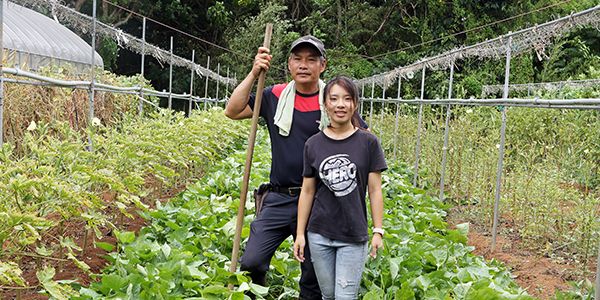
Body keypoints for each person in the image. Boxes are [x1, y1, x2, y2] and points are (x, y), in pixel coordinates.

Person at [226, 35, 368, 300]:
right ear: (289, 64)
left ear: (322, 65)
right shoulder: (275, 96)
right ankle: (257, 291)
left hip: (321, 202)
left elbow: (360, 139)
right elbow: (233, 110)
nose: (304, 65)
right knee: (251, 262)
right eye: (298, 59)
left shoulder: (333, 101)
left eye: (311, 60)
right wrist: (255, 72)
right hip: (279, 197)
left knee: (313, 275)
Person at [293, 76, 387, 300]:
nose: (340, 105)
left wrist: (378, 230)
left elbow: (374, 190)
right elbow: (307, 191)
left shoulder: (368, 142)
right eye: (333, 99)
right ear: (325, 104)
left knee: (345, 297)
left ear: (355, 103)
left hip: (353, 235)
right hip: (319, 234)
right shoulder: (313, 144)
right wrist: (300, 234)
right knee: (327, 296)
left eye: (346, 98)